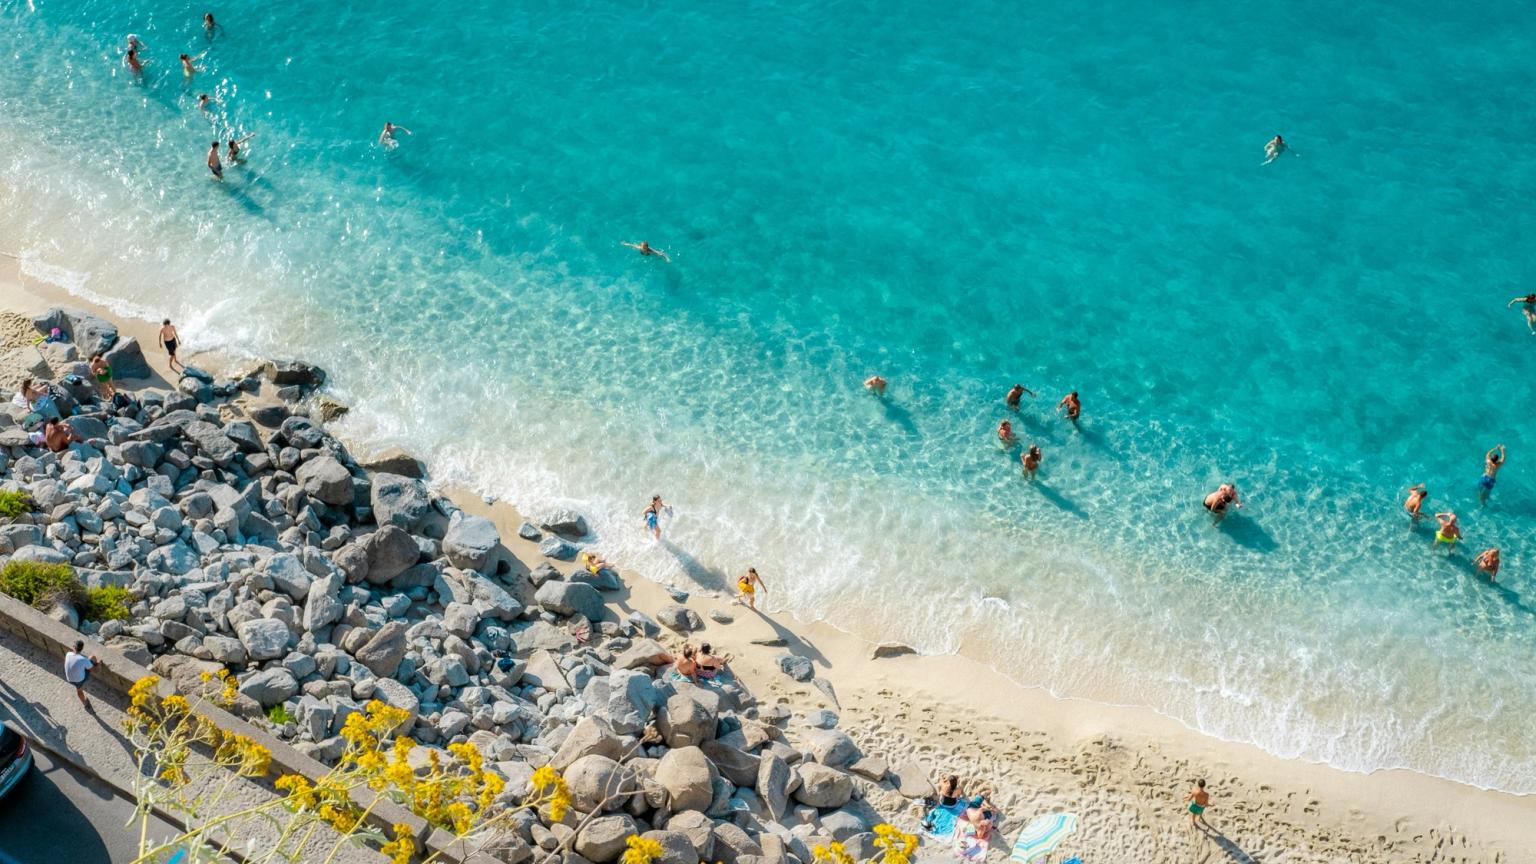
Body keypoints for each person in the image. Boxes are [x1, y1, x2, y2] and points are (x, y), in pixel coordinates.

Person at [64, 640, 98, 710]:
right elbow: (92, 670)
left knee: (84, 665)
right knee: (92, 657)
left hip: (69, 678)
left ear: (74, 647)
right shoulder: (83, 659)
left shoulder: (68, 654)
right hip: (78, 680)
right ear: (82, 648)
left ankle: (85, 703)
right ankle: (85, 703)